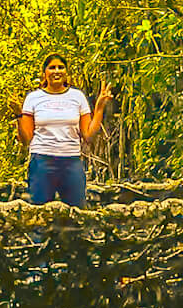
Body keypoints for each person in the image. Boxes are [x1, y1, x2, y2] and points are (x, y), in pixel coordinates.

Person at [19, 56, 113, 207]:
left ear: (66, 72)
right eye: (52, 67)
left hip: (71, 161)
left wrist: (100, 108)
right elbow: (26, 139)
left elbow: (88, 136)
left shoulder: (77, 97)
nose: (57, 71)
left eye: (61, 67)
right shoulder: (33, 98)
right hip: (42, 161)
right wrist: (19, 116)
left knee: (77, 213)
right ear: (44, 73)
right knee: (39, 213)